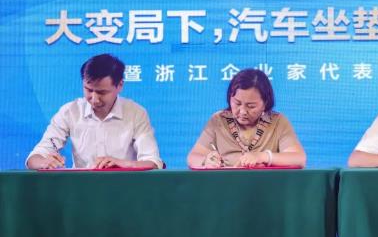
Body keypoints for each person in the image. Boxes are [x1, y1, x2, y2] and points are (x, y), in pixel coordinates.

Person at [26, 53, 163, 170]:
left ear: (120, 85)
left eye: (102, 92)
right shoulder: (70, 112)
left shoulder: (136, 113)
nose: (94, 99)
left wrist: (123, 164)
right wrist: (43, 162)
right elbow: (35, 157)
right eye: (89, 90)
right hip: (81, 188)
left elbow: (153, 161)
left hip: (125, 187)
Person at [187, 68, 306, 168]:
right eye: (237, 103)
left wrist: (263, 156)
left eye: (251, 106)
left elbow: (299, 159)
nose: (243, 111)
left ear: (265, 103)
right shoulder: (218, 120)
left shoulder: (278, 122)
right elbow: (193, 157)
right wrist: (206, 161)